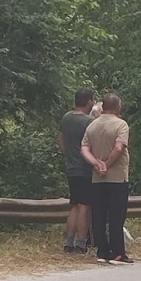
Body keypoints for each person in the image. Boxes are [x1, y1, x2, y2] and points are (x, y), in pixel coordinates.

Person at [80, 93, 133, 265]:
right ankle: (118, 251)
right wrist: (107, 164)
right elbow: (119, 147)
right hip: (117, 177)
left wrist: (97, 164)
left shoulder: (92, 126)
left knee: (99, 215)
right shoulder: (121, 125)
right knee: (117, 216)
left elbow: (84, 149)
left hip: (98, 178)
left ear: (103, 107)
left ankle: (102, 250)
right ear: (117, 106)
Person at [58, 87, 95, 254]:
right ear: (88, 102)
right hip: (85, 169)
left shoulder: (66, 118)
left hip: (71, 167)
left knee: (74, 205)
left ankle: (69, 241)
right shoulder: (88, 121)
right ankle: (81, 242)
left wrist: (69, 156)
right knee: (84, 206)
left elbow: (61, 140)